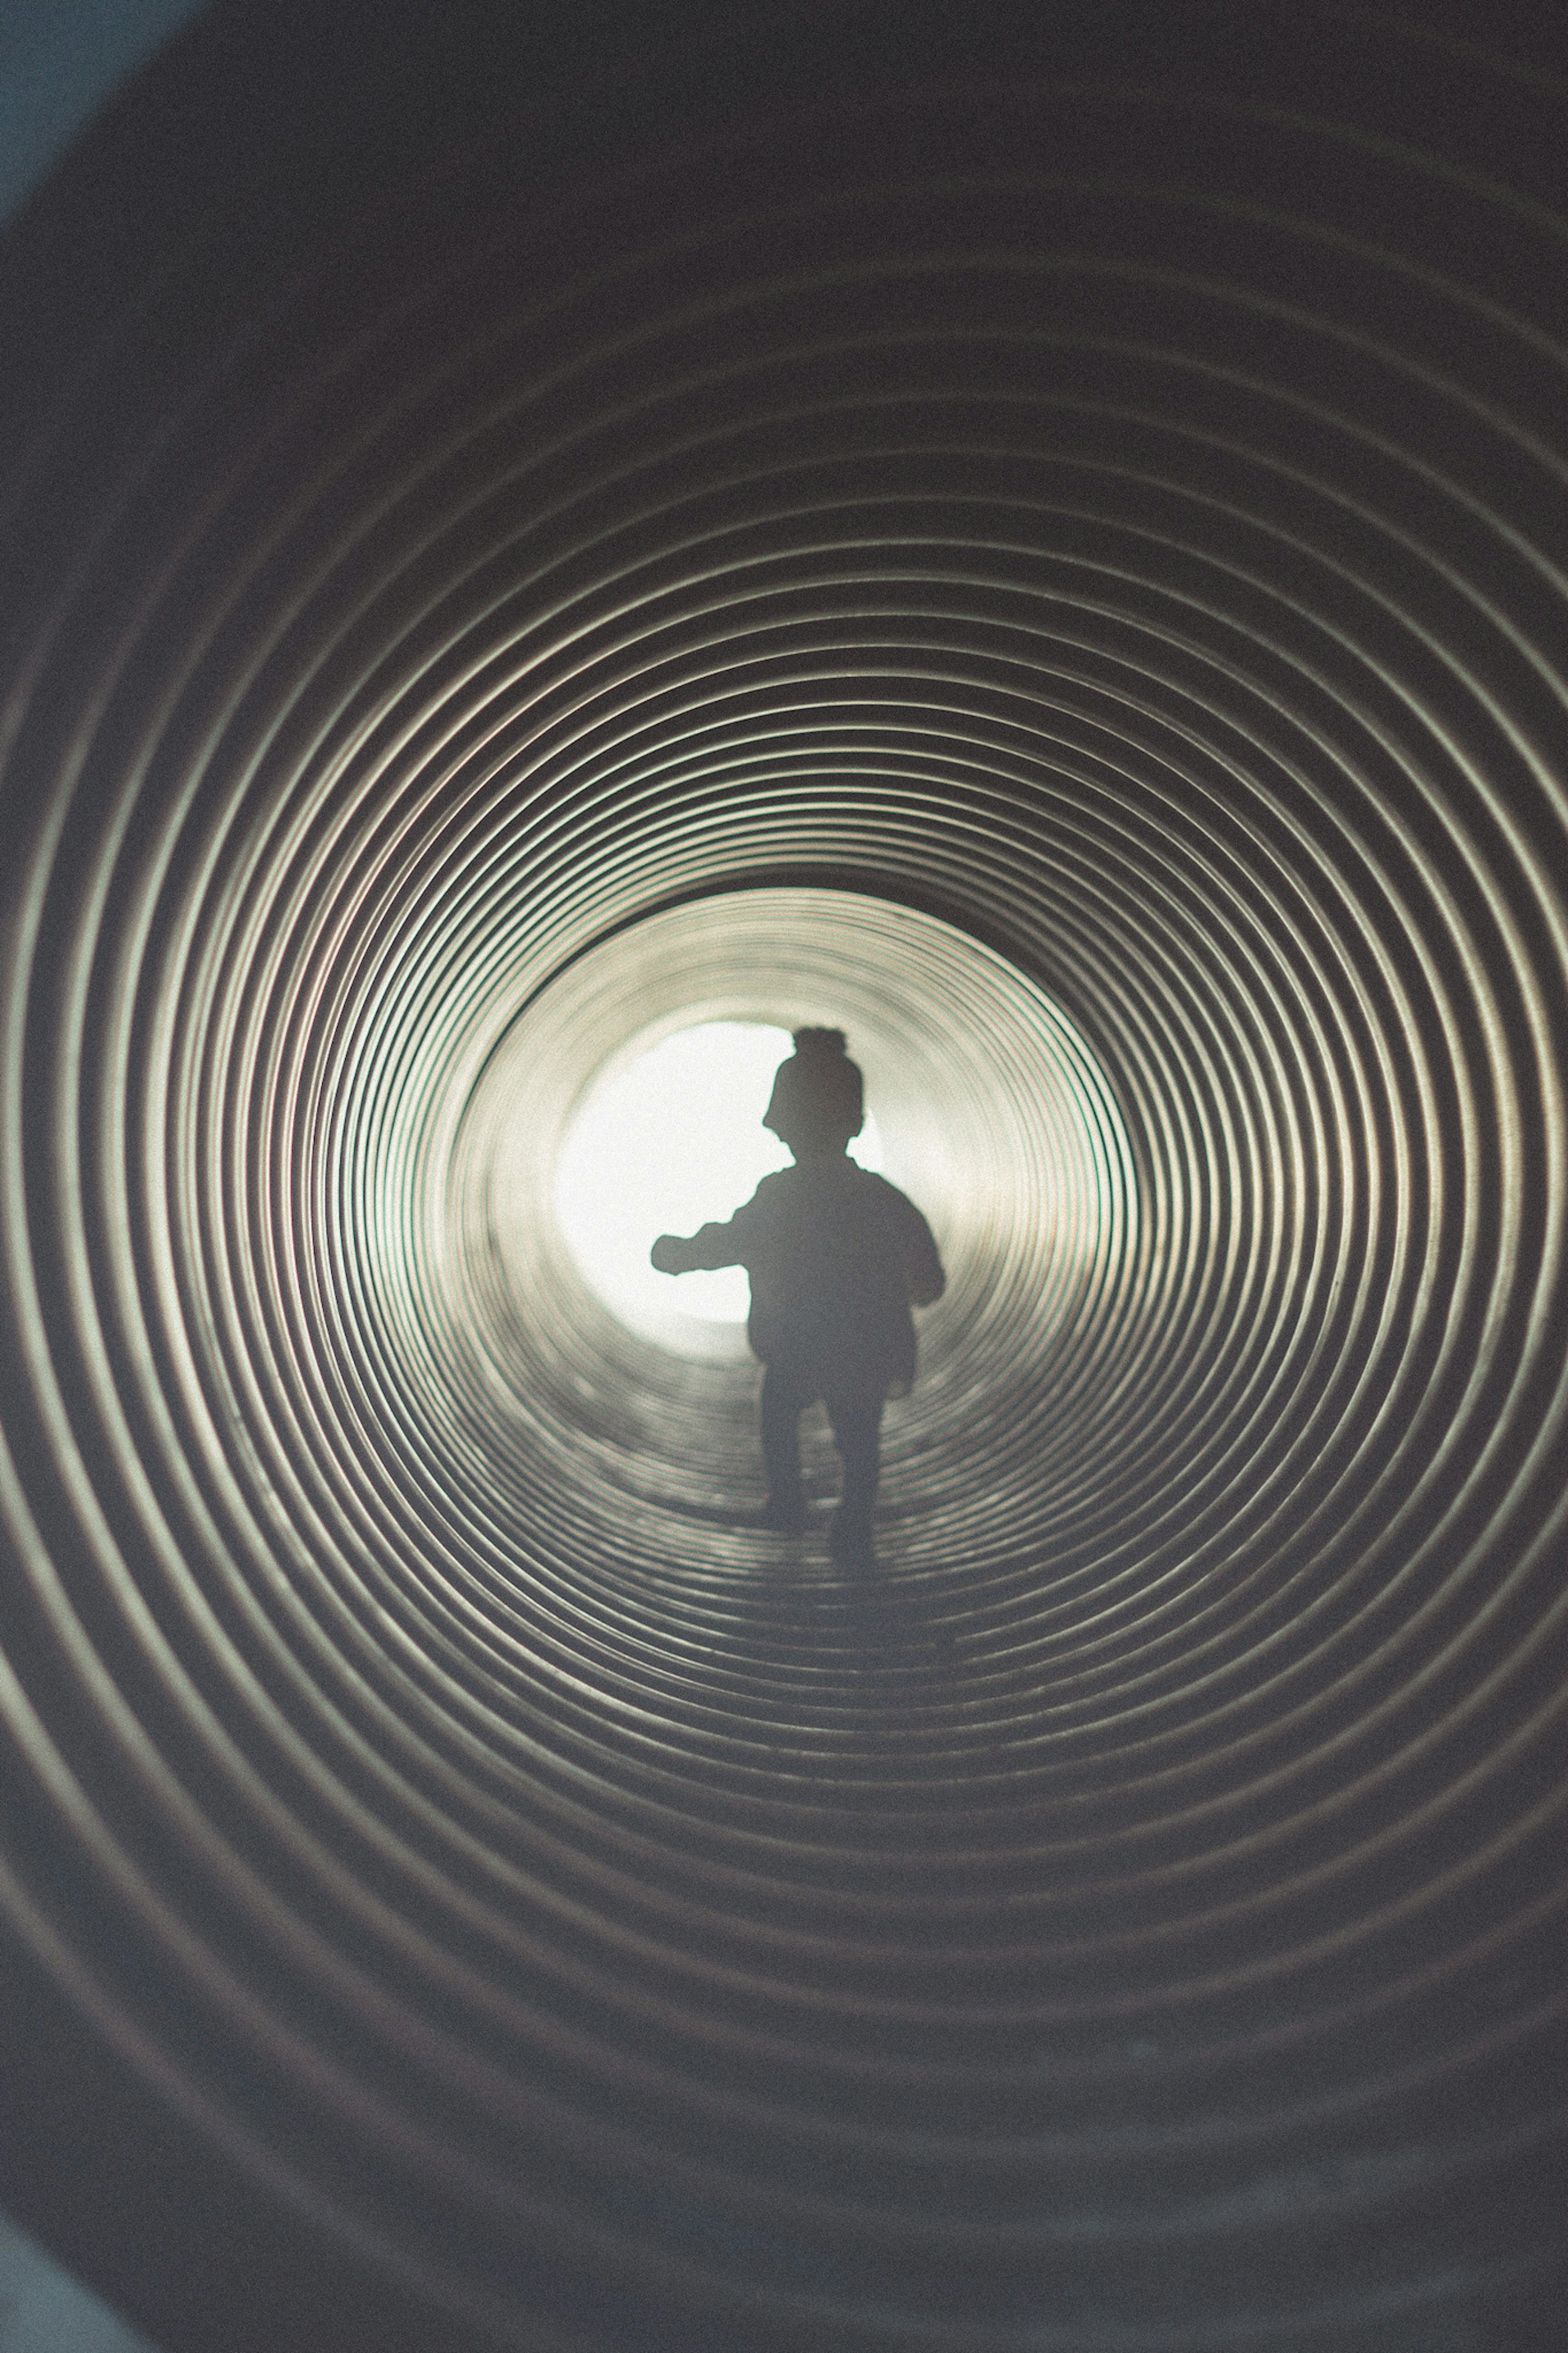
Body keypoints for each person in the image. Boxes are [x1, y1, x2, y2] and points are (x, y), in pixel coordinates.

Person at [650, 1028, 944, 1567]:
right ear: (854, 1123)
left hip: (799, 1343)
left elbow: (730, 1240)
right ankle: (852, 1525)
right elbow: (922, 1257)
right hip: (867, 1345)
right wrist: (923, 1284)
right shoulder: (880, 1197)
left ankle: (787, 1501)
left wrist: (678, 1254)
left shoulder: (779, 1197)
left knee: (778, 1410)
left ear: (782, 1123)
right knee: (859, 1438)